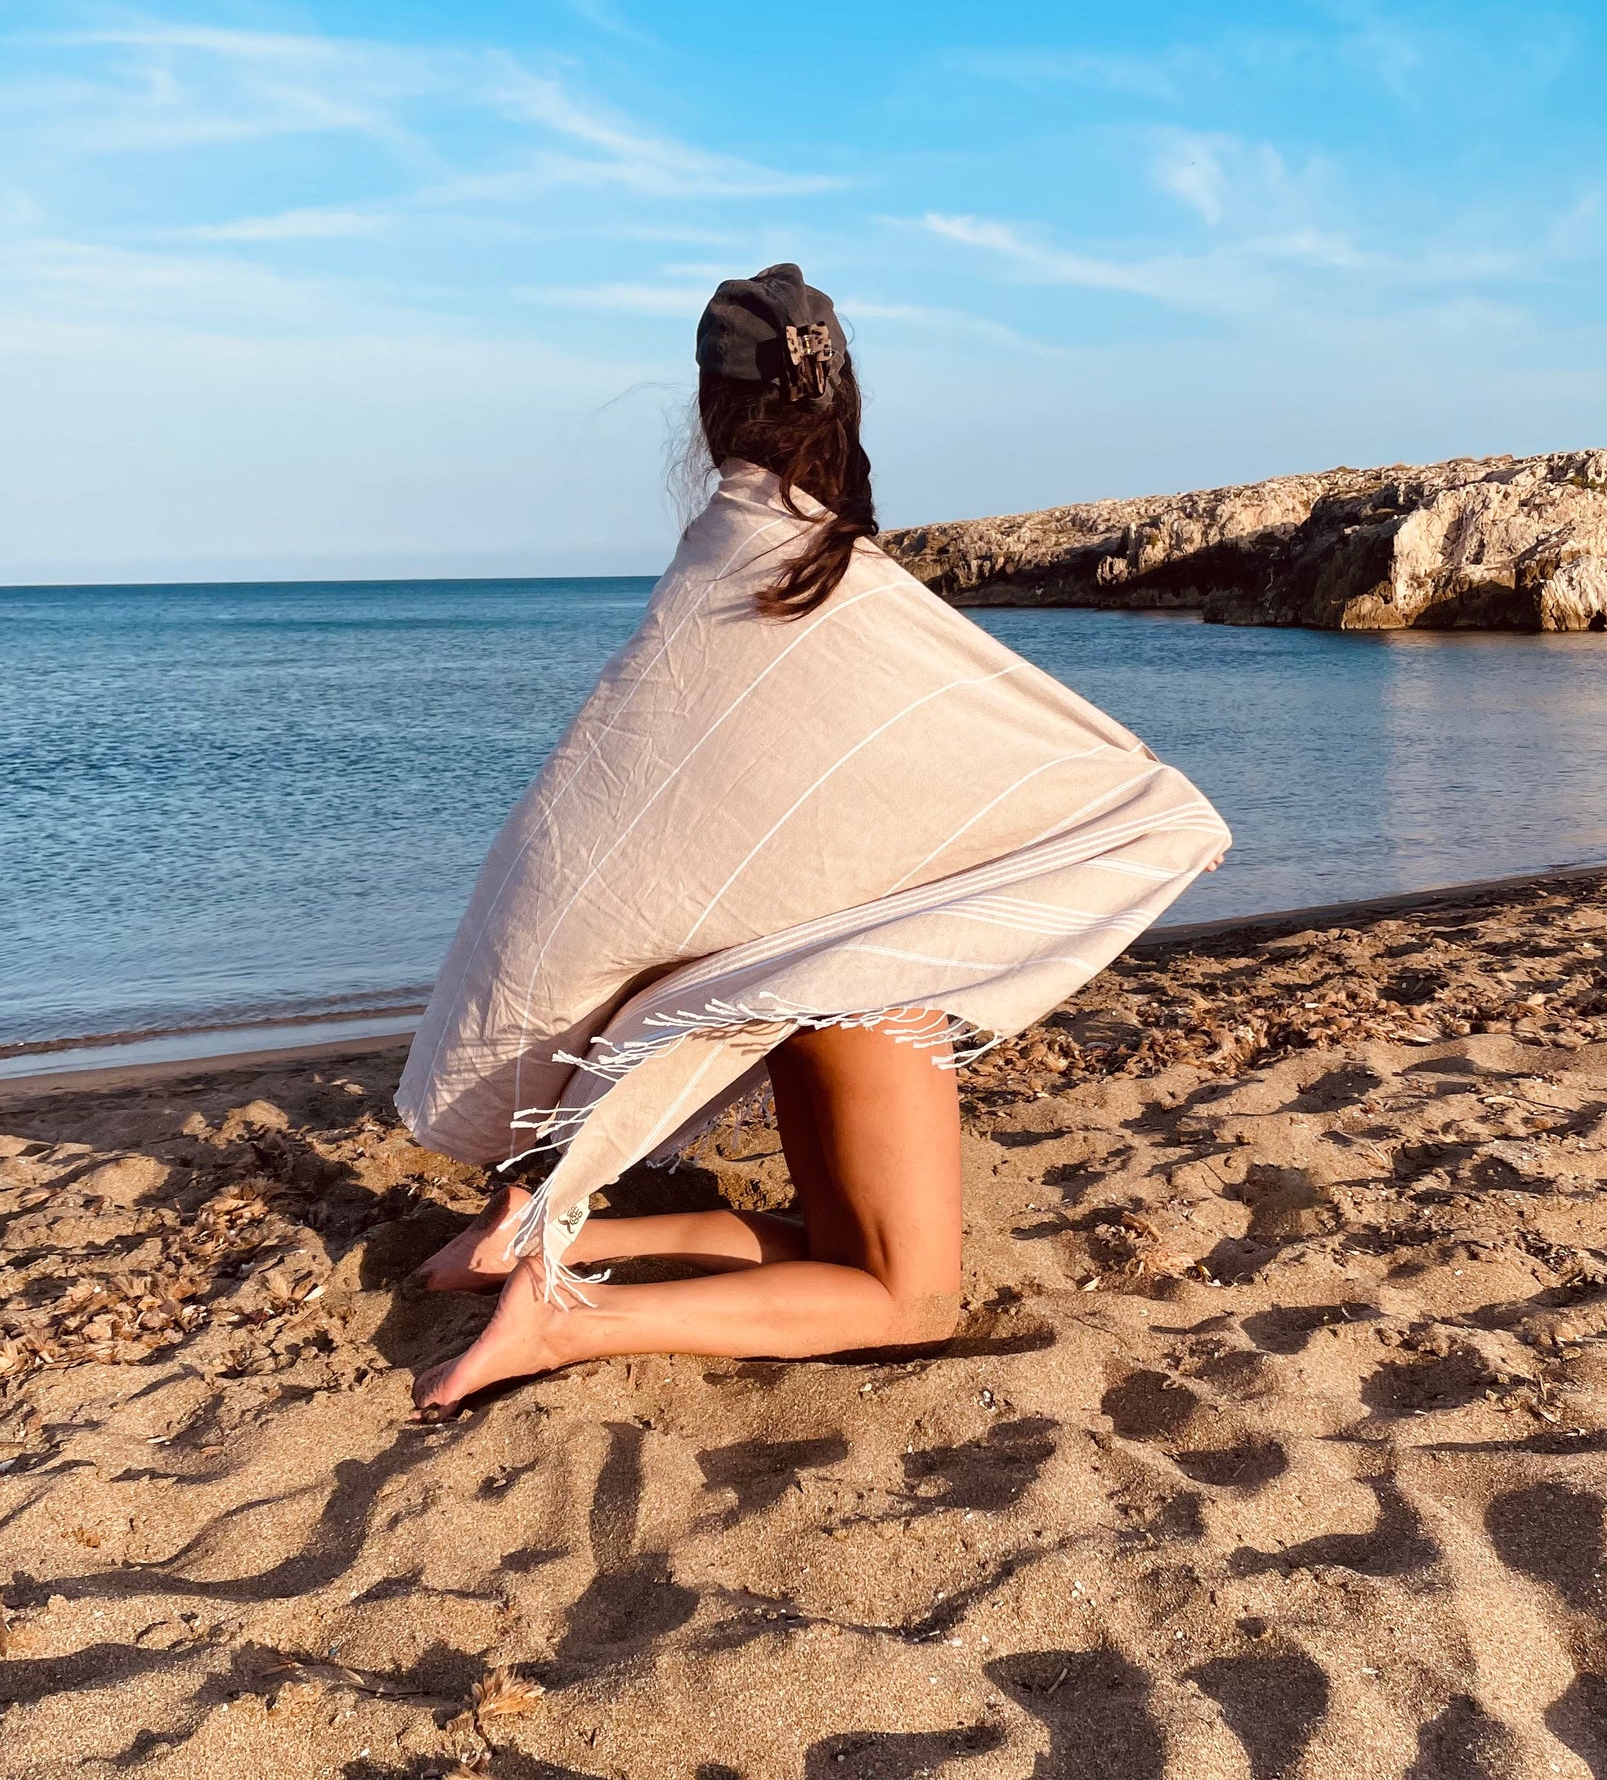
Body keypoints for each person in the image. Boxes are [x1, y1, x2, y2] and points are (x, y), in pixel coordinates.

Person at [397, 265, 1229, 1418]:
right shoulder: (850, 589)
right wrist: (1144, 817)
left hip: (787, 971)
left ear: (707, 415)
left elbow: (611, 828)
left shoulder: (712, 578)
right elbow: (995, 748)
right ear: (842, 404)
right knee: (906, 1298)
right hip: (858, 974)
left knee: (830, 1240)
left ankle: (536, 1235)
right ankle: (562, 1313)